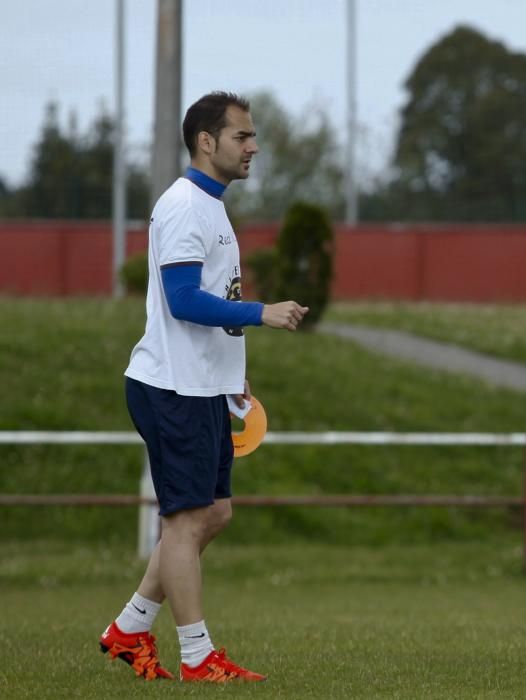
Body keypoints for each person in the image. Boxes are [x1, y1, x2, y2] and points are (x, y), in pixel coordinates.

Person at [99, 91, 308, 683]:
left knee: (212, 513)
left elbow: (212, 301)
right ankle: (197, 657)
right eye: (242, 136)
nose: (254, 147)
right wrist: (262, 313)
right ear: (206, 142)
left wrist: (228, 373)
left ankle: (129, 627)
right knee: (185, 522)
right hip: (171, 388)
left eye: (253, 136)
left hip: (202, 384)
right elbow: (184, 300)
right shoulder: (186, 207)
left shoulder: (212, 206)